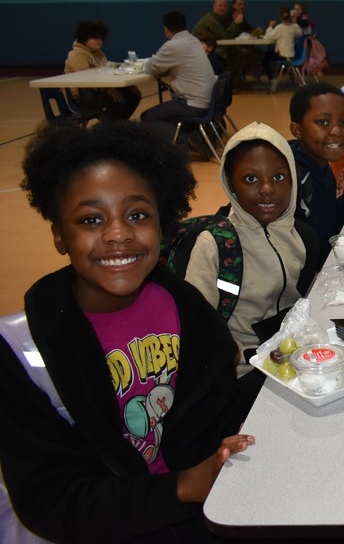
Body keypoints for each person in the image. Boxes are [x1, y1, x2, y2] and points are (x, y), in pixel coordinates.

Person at [3, 120, 254, 542]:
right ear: (59, 236)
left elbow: (213, 413)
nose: (118, 233)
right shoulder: (23, 348)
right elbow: (50, 500)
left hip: (199, 507)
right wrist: (182, 487)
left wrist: (230, 445)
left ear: (163, 225)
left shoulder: (186, 308)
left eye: (137, 215)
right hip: (108, 525)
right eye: (90, 219)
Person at [181, 122, 307, 375]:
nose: (267, 189)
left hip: (293, 355)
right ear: (230, 184)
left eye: (278, 177)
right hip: (244, 371)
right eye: (251, 179)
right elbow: (197, 327)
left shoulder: (299, 234)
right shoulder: (215, 244)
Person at [288, 83, 344, 267]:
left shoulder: (319, 165)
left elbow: (329, 226)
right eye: (323, 122)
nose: (337, 131)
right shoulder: (292, 178)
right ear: (297, 130)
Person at [140, 11, 216, 151]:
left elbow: (151, 67)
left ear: (166, 29)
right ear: (185, 25)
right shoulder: (193, 40)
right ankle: (190, 135)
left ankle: (184, 140)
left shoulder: (174, 45)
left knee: (147, 117)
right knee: (168, 114)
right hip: (209, 100)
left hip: (193, 103)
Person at [64, 19, 141, 121]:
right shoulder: (77, 55)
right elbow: (86, 80)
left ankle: (119, 124)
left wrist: (128, 86)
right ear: (84, 38)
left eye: (100, 37)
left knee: (133, 95)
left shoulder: (98, 53)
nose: (98, 40)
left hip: (100, 88)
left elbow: (107, 69)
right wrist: (111, 91)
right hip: (83, 93)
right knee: (115, 100)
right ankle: (107, 129)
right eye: (94, 37)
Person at [261, 6, 303, 79]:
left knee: (263, 58)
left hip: (282, 56)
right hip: (291, 56)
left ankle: (270, 78)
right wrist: (294, 22)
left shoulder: (279, 28)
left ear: (280, 17)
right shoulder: (293, 28)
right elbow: (300, 33)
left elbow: (268, 37)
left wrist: (270, 27)